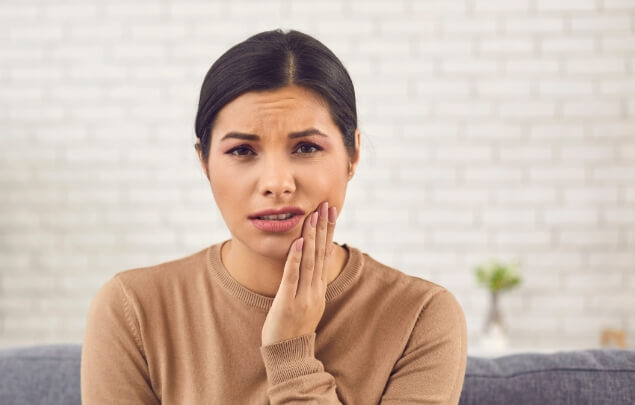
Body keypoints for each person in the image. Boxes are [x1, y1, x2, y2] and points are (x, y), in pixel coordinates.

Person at [81, 28, 467, 404]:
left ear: (353, 155)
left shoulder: (421, 316)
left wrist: (292, 357)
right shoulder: (133, 308)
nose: (277, 183)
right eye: (242, 151)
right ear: (204, 161)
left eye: (305, 147)